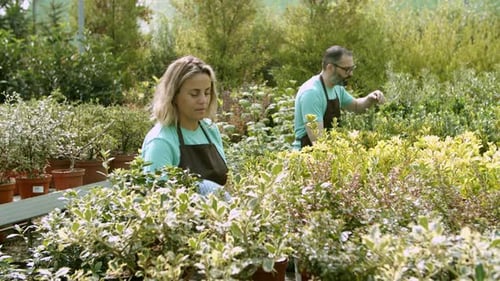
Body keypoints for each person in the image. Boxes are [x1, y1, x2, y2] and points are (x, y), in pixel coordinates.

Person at [141, 55, 229, 197]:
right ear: (173, 95)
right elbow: (158, 201)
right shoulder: (161, 141)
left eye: (207, 92)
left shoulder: (210, 129)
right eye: (194, 94)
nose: (203, 100)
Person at [292, 45, 385, 150]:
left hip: (326, 155)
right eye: (347, 69)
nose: (351, 74)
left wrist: (370, 99)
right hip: (305, 157)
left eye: (352, 69)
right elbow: (318, 142)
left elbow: (355, 106)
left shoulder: (336, 88)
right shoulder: (312, 93)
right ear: (330, 67)